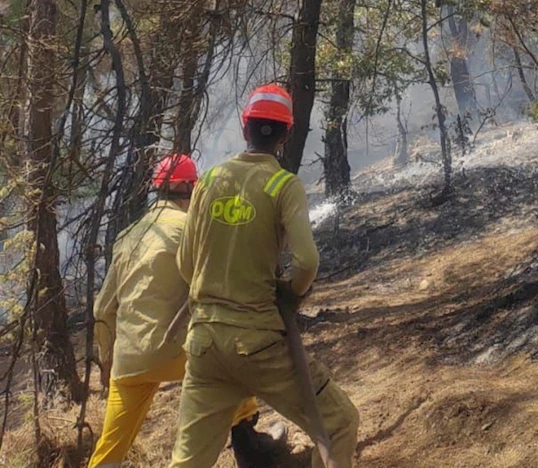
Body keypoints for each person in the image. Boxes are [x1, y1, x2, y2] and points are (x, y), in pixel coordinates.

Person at [169, 84, 359, 467]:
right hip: (257, 344)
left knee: (188, 461)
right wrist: (290, 292)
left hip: (205, 344)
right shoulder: (282, 185)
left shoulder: (208, 181)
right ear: (286, 136)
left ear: (245, 129)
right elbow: (306, 261)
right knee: (339, 423)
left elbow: (185, 264)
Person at [90, 154, 284, 468]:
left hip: (130, 359)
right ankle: (252, 449)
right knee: (230, 370)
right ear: (188, 187)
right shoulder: (192, 229)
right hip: (181, 352)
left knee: (110, 447)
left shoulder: (127, 237)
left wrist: (106, 357)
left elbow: (102, 308)